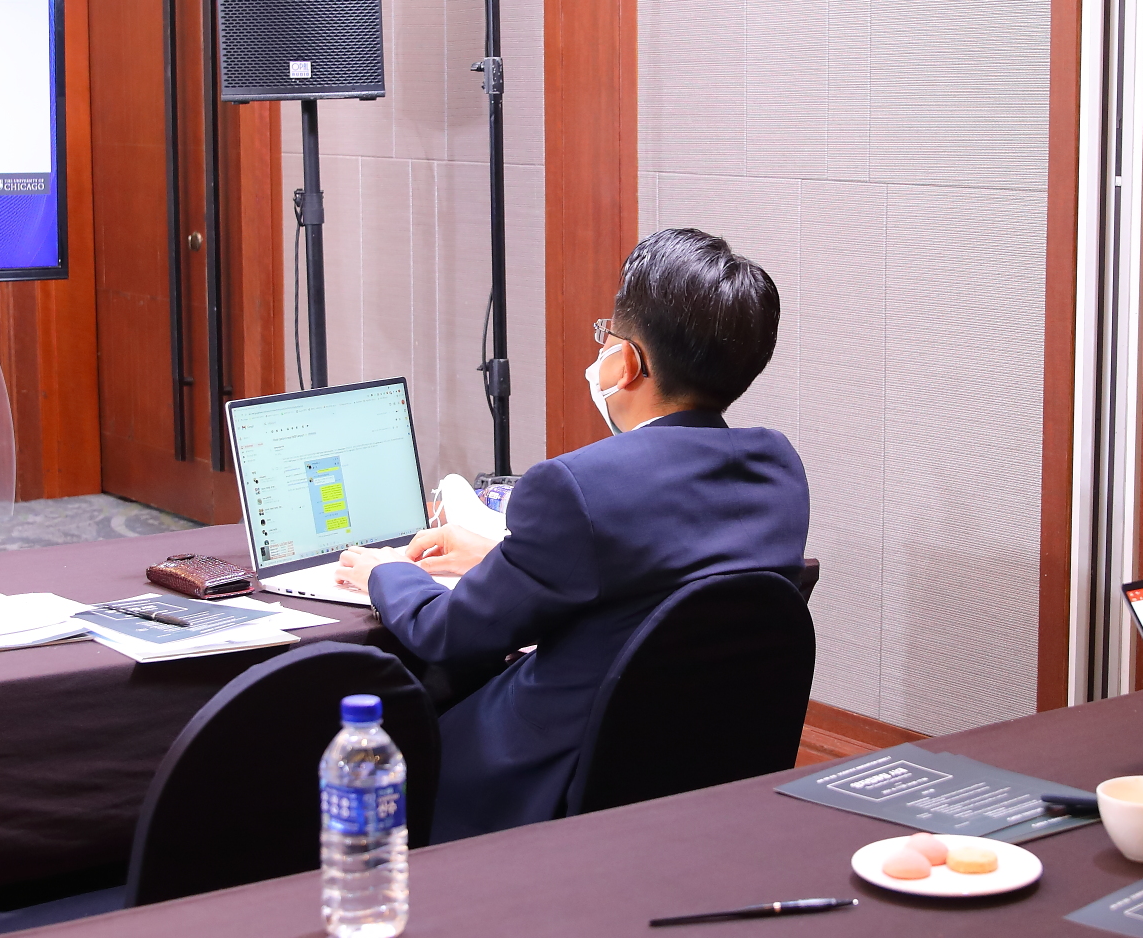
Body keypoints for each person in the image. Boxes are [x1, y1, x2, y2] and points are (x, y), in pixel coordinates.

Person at [337, 228, 810, 841]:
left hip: (547, 779)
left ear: (626, 363)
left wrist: (387, 574)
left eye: (605, 334)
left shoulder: (577, 486)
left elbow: (448, 633)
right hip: (691, 771)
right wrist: (500, 556)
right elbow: (656, 577)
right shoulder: (777, 470)